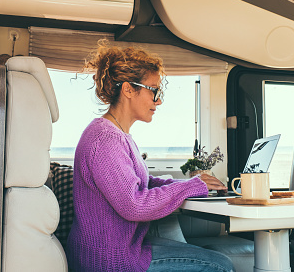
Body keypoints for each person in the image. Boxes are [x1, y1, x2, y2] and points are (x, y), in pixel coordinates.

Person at [66, 45, 235, 272]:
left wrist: (192, 185)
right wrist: (190, 187)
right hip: (111, 260)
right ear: (128, 89)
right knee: (221, 265)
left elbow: (144, 184)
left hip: (125, 248)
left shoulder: (117, 135)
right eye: (153, 90)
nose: (159, 100)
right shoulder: (104, 139)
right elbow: (135, 205)